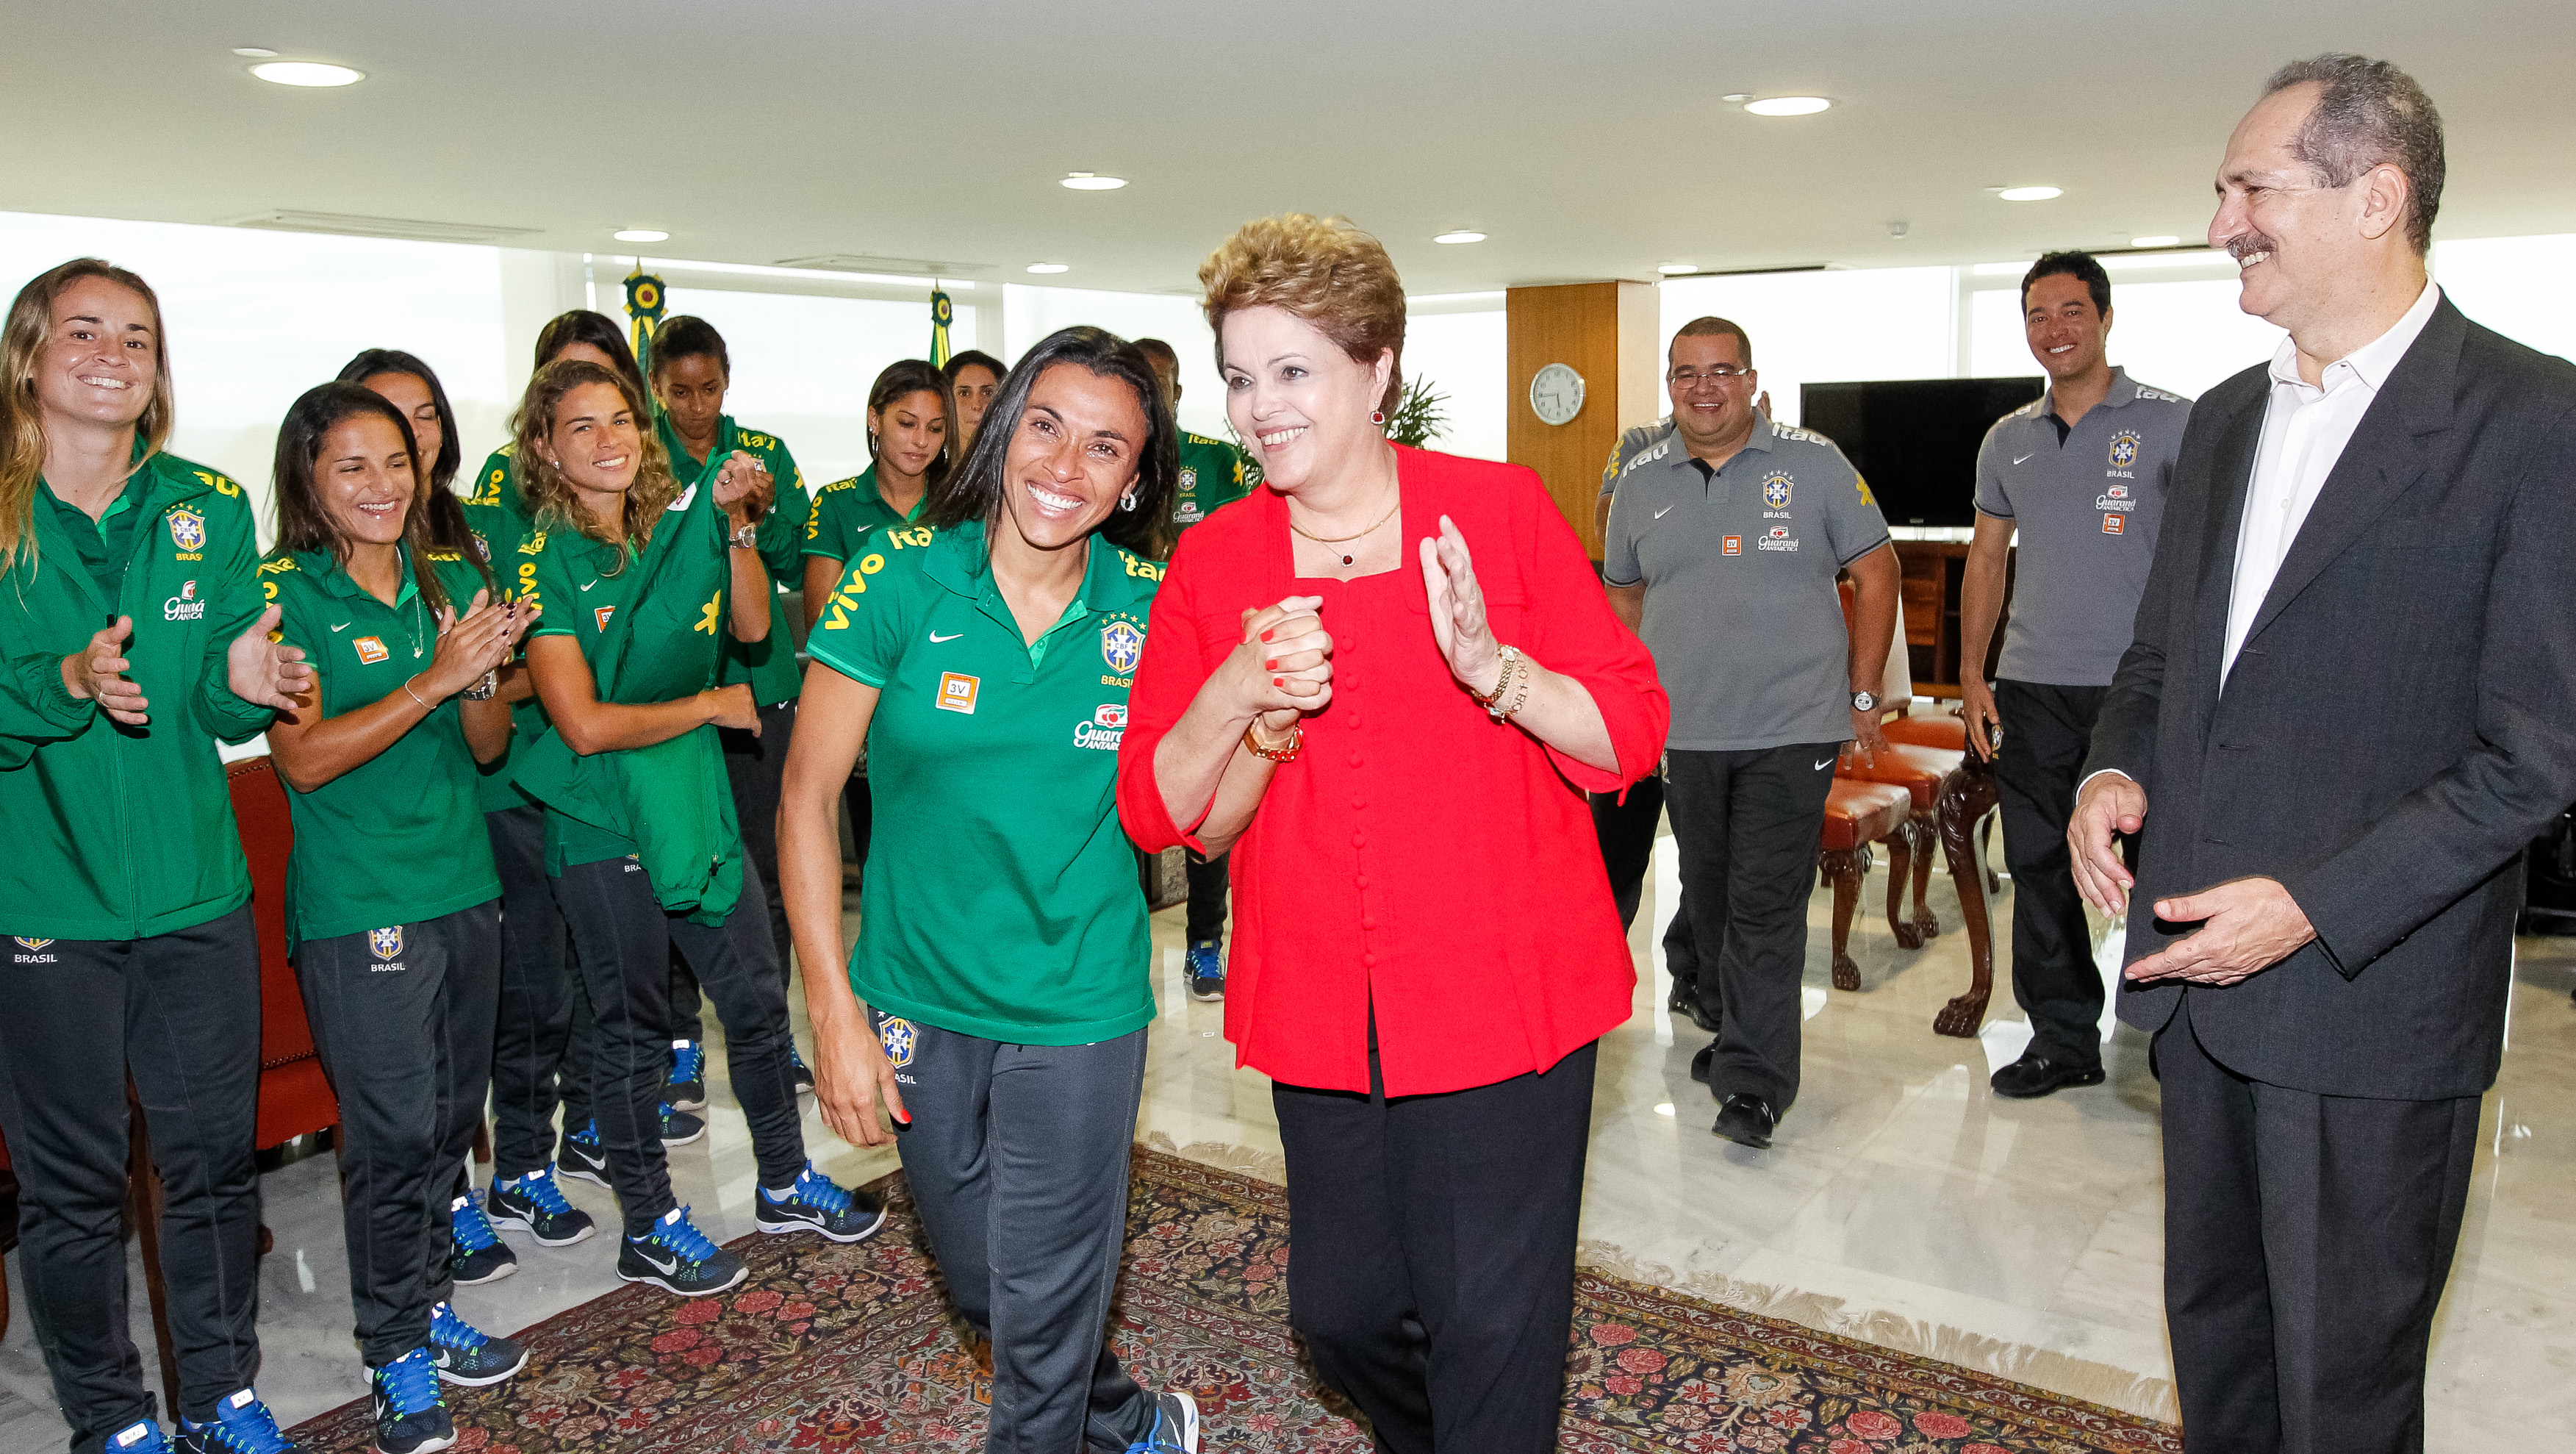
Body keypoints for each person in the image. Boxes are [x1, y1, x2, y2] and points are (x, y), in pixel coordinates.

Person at [2070, 55, 2576, 1454]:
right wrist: (2116, 772)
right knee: (2220, 1354)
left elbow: (2536, 755)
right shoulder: (2226, 418)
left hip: (2369, 1006)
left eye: (2252, 188)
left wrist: (2308, 905)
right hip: (2196, 992)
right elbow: (2165, 662)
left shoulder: (2537, 424)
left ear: (2379, 198)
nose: (2223, 220)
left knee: (2343, 1396)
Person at [1119, 215, 1668, 1454]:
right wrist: (1236, 696)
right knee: (1344, 1311)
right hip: (1322, 1000)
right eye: (1241, 376)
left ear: (1378, 371)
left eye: (1293, 371)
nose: (1260, 407)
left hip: (1504, 991)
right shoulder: (1215, 561)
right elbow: (1169, 817)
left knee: (1495, 1321)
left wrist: (1497, 669)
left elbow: (1629, 729)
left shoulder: (1497, 511)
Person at [781, 326, 1200, 1454]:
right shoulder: (901, 576)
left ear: (1134, 482)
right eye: (1047, 426)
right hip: (917, 991)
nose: (1065, 467)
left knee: (1047, 1304)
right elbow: (808, 796)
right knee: (988, 1289)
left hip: (1078, 999)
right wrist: (832, 1009)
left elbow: (1213, 787)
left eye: (1106, 448)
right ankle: (1134, 1419)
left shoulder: (1156, 608)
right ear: (1002, 428)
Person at [0, 258, 311, 1454]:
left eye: (137, 335)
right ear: (31, 353)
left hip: (195, 898)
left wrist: (259, 680)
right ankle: (110, 1413)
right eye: (84, 331)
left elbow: (235, 677)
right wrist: (66, 681)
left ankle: (223, 1388)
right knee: (72, 1190)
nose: (113, 354)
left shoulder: (206, 506)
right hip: (45, 907)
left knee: (211, 1163)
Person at [512, 358, 883, 1298]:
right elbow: (583, 723)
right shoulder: (539, 555)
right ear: (545, 448)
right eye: (582, 426)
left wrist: (738, 529)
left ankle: (785, 1178)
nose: (608, 441)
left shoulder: (678, 529)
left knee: (757, 999)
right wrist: (710, 704)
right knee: (633, 1031)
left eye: (619, 421)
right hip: (600, 820)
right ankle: (649, 1222)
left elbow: (755, 624)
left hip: (694, 802)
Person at [259, 382, 539, 1454]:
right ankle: (394, 1357)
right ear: (309, 482)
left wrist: (479, 669)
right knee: (385, 1138)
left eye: (396, 462)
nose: (382, 486)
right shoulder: (285, 593)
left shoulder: (451, 575)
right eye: (352, 467)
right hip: (359, 905)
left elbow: (485, 749)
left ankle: (424, 1306)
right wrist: (433, 678)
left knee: (438, 1130)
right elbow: (306, 758)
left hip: (461, 887)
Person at [1602, 317, 1898, 1150]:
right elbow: (1624, 596)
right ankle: (1741, 1034)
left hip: (1792, 726)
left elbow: (1876, 572)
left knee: (1766, 904)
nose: (1705, 388)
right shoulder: (1639, 480)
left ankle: (1755, 1085)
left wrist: (1863, 691)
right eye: (1687, 374)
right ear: (1670, 386)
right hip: (1687, 731)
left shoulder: (1814, 464)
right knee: (1711, 896)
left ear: (1752, 380)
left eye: (1722, 371)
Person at [344, 347, 589, 1283]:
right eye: (385, 417)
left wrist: (488, 674)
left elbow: (527, 663)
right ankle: (443, 1204)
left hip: (503, 792)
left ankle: (524, 1167)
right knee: (433, 1049)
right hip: (407, 832)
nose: (410, 435)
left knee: (530, 998)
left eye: (424, 417)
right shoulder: (340, 560)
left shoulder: (481, 533)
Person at [467, 309, 693, 1200]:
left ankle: (597, 1124)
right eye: (564, 393)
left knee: (615, 972)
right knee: (537, 982)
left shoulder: (644, 511)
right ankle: (524, 1158)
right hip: (522, 768)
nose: (591, 418)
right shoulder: (497, 503)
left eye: (608, 398)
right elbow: (490, 654)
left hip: (622, 773)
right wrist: (553, 681)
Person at [1956, 253, 2192, 1100]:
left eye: (2069, 312)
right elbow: (1985, 559)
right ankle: (2062, 1037)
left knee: (2165, 866)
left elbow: (2207, 560)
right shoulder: (2007, 439)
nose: (2052, 330)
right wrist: (1972, 677)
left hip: (2143, 687)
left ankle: (2175, 1037)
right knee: (2040, 862)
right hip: (2032, 685)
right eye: (2036, 315)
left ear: (2104, 317)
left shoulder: (2174, 422)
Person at [650, 315, 817, 1103]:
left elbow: (791, 563)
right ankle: (680, 1042)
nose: (693, 407)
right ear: (655, 387)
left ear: (727, 382)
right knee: (679, 870)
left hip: (759, 690)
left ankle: (771, 1033)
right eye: (678, 391)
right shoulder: (640, 459)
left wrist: (764, 510)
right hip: (675, 700)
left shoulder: (763, 453)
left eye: (708, 388)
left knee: (769, 868)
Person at [1130, 336, 1254, 1002]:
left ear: (1177, 392)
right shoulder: (1112, 455)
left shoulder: (1217, 459)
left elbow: (1231, 545)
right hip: (1120, 645)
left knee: (1209, 794)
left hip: (1201, 649)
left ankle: (1205, 941)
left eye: (1164, 383)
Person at [800, 358, 951, 888]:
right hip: (866, 706)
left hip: (948, 701)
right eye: (905, 423)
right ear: (874, 419)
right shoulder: (838, 504)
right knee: (878, 857)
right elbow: (823, 614)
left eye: (935, 429)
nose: (919, 442)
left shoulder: (961, 504)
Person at [944, 348, 1005, 456]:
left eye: (987, 393)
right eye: (964, 393)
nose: (977, 405)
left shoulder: (1018, 470)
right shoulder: (928, 471)